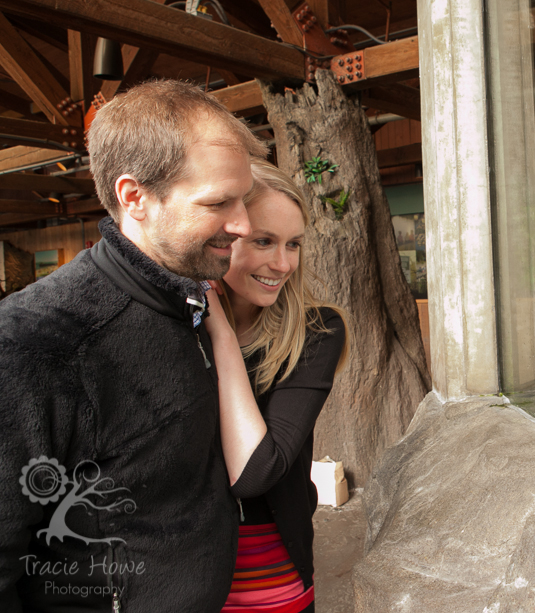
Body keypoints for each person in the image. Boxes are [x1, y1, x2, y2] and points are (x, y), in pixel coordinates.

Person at [0, 80, 267, 612]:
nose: (243, 224)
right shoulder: (34, 343)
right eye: (218, 203)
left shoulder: (190, 299)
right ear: (134, 197)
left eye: (244, 199)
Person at [204, 158, 347, 613]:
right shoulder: (171, 323)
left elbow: (259, 471)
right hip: (181, 563)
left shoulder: (317, 330)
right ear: (220, 237)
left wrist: (221, 334)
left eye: (294, 244)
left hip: (269, 567)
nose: (283, 264)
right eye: (263, 241)